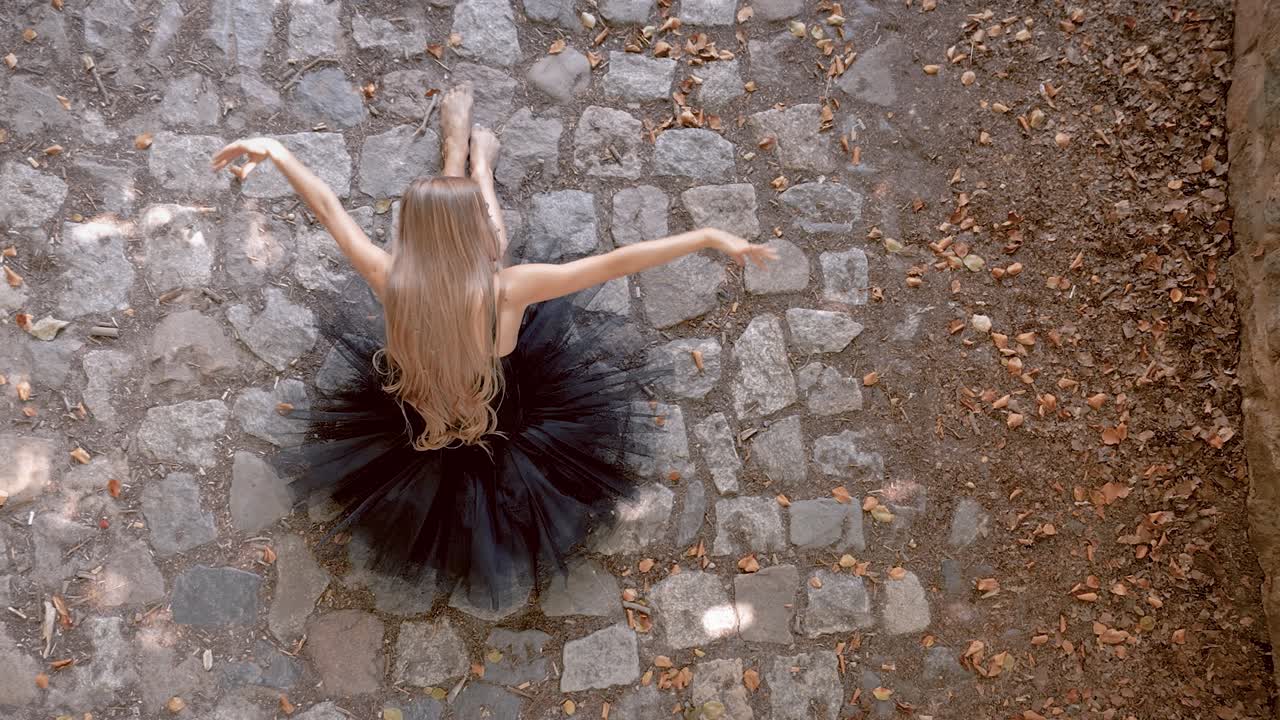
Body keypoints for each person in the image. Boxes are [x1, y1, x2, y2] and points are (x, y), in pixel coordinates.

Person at [211, 85, 777, 609]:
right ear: (467, 239)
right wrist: (705, 235)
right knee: (500, 247)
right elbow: (616, 262)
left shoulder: (390, 276)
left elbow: (330, 209)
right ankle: (472, 160)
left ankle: (464, 155)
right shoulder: (509, 286)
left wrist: (279, 153)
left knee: (484, 241)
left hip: (424, 401)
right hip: (498, 402)